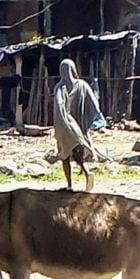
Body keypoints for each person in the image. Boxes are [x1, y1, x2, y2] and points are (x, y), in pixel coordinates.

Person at [53, 59, 102, 192]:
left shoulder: (59, 87)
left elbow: (59, 109)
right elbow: (95, 106)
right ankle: (87, 173)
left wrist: (61, 126)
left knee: (65, 157)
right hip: (79, 130)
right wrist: (85, 123)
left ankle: (69, 185)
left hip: (65, 130)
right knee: (79, 157)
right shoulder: (83, 85)